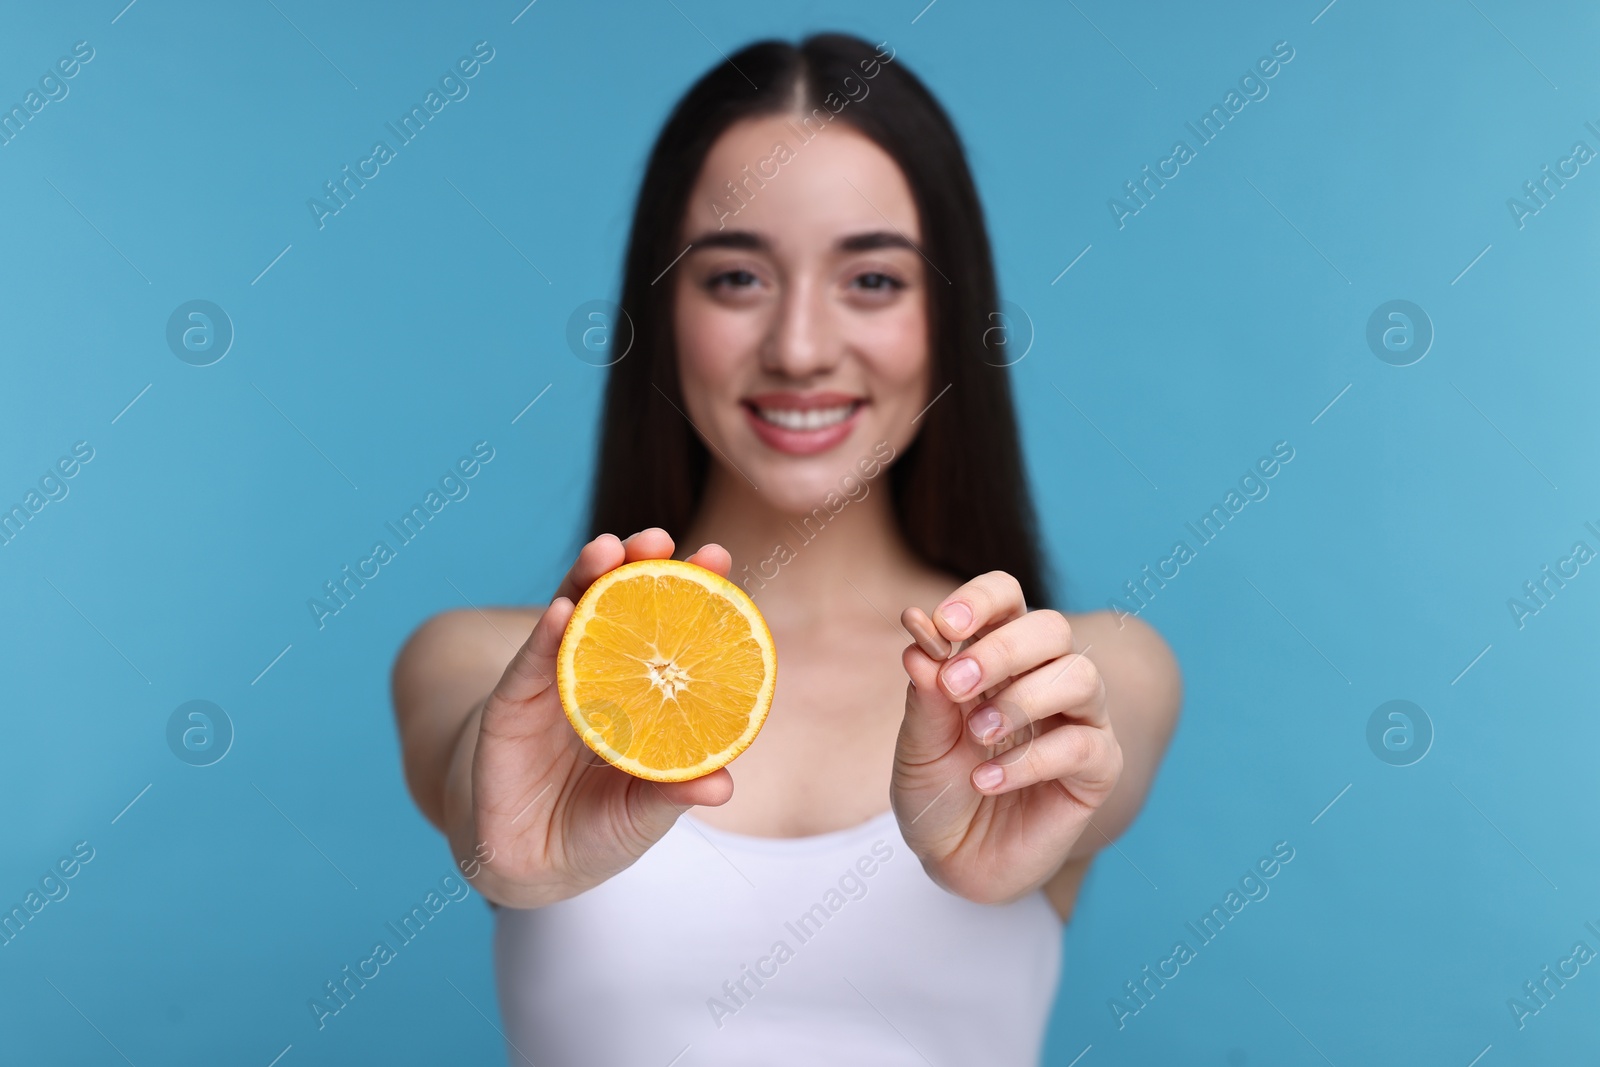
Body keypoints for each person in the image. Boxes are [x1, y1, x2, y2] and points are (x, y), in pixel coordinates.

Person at [392, 32, 1181, 1066]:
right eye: (734, 278)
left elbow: (1085, 772)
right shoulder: (485, 665)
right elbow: (475, 790)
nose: (801, 346)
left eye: (872, 279)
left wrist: (1014, 826)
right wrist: (504, 846)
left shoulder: (1076, 673)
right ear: (660, 309)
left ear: (950, 313)